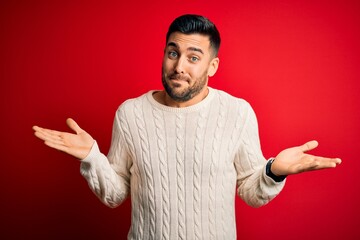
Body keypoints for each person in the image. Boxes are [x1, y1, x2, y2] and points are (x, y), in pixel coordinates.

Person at [33, 14, 341, 240]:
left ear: (212, 66)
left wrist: (273, 171)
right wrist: (93, 158)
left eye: (193, 57)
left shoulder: (237, 113)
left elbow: (251, 193)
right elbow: (115, 195)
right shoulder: (130, 114)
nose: (179, 66)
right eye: (172, 53)